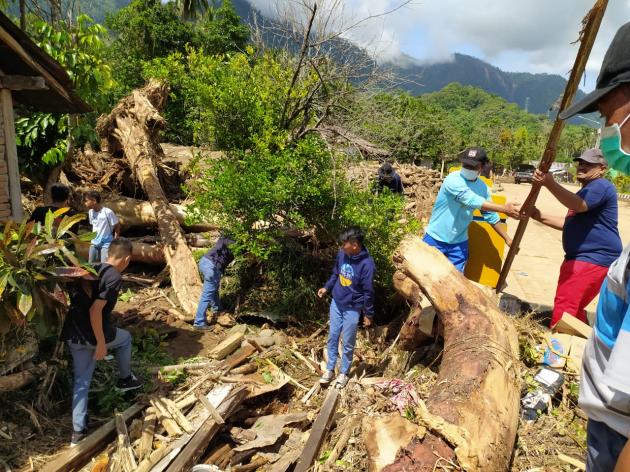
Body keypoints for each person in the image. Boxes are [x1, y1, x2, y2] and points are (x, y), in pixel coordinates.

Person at [559, 22, 630, 472]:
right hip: (611, 420)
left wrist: (548, 186)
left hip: (618, 435)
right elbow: (560, 216)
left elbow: (574, 204)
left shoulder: (601, 188)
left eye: (607, 113)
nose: (607, 128)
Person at [60, 238, 142, 447]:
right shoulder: (114, 276)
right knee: (125, 339)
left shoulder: (91, 267)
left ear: (108, 254)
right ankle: (125, 379)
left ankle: (78, 433)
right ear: (126, 258)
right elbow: (95, 311)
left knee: (81, 382)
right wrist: (101, 343)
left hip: (73, 333)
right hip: (92, 334)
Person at [529, 148, 622, 328]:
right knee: (574, 308)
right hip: (587, 258)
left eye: (588, 164)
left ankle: (558, 352)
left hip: (592, 258)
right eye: (580, 162)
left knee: (565, 308)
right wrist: (537, 215)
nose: (582, 166)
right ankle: (578, 348)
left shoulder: (600, 186)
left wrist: (549, 183)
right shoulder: (587, 191)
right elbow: (569, 223)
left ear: (602, 169)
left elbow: (579, 206)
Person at [423, 147, 520, 272]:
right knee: (425, 276)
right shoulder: (452, 179)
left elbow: (490, 216)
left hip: (459, 245)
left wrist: (507, 239)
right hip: (435, 239)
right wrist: (504, 209)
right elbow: (471, 199)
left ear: (482, 167)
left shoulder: (483, 188)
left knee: (455, 284)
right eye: (465, 164)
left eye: (473, 166)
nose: (468, 168)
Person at [317, 227, 375, 389]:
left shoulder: (367, 265)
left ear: (355, 245)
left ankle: (344, 373)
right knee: (333, 336)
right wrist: (326, 288)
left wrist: (368, 314)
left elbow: (368, 291)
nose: (342, 246)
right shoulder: (343, 254)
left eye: (345, 243)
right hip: (336, 302)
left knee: (348, 341)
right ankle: (330, 370)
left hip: (353, 308)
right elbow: (335, 274)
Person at [193, 236, 235, 330]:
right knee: (206, 295)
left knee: (213, 289)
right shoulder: (234, 242)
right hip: (212, 267)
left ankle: (217, 309)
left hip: (204, 262)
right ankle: (199, 322)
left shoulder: (225, 237)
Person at [84, 191, 120, 264]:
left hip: (106, 243)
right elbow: (94, 226)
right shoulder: (90, 212)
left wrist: (115, 239)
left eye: (86, 201)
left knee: (105, 264)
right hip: (94, 243)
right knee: (91, 264)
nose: (85, 203)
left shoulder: (108, 212)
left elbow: (117, 225)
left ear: (94, 200)